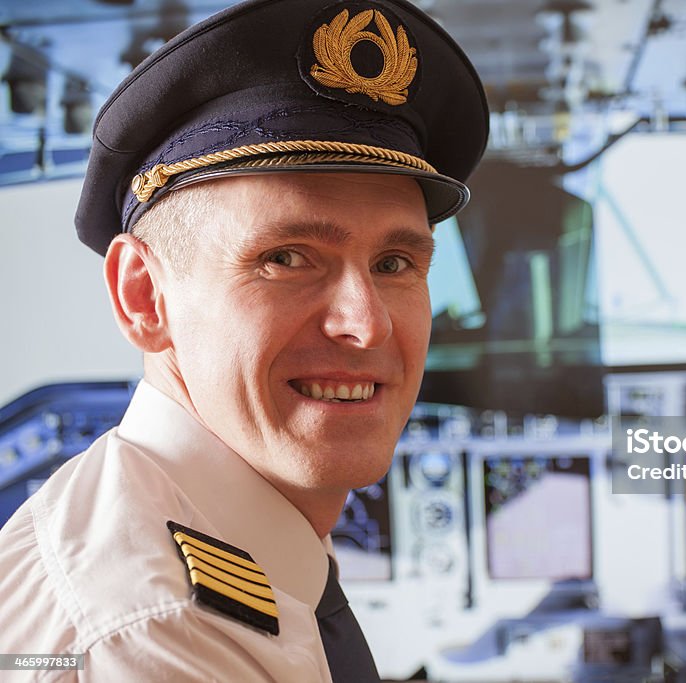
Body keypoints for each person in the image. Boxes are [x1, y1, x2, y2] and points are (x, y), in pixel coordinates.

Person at [0, 0, 487, 680]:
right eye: (286, 258)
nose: (366, 322)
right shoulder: (149, 639)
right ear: (143, 297)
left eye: (394, 264)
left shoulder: (220, 557)